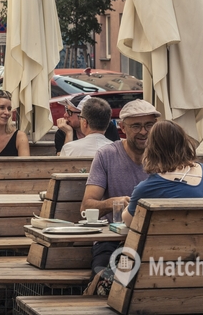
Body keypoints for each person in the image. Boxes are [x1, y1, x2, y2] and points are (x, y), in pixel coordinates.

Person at [81, 99, 159, 277]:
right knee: (105, 276)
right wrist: (112, 203)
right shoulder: (107, 154)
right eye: (136, 126)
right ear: (122, 128)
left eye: (149, 125)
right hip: (112, 241)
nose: (143, 132)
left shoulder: (164, 156)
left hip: (154, 239)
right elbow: (85, 207)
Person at [122, 120, 203, 227]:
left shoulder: (148, 188)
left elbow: (129, 221)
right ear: (184, 143)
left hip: (171, 243)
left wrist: (128, 206)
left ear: (151, 149)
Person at [55, 94, 120, 152]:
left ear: (83, 115)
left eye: (69, 112)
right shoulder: (63, 131)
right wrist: (69, 133)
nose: (65, 115)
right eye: (66, 110)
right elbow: (61, 161)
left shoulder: (107, 127)